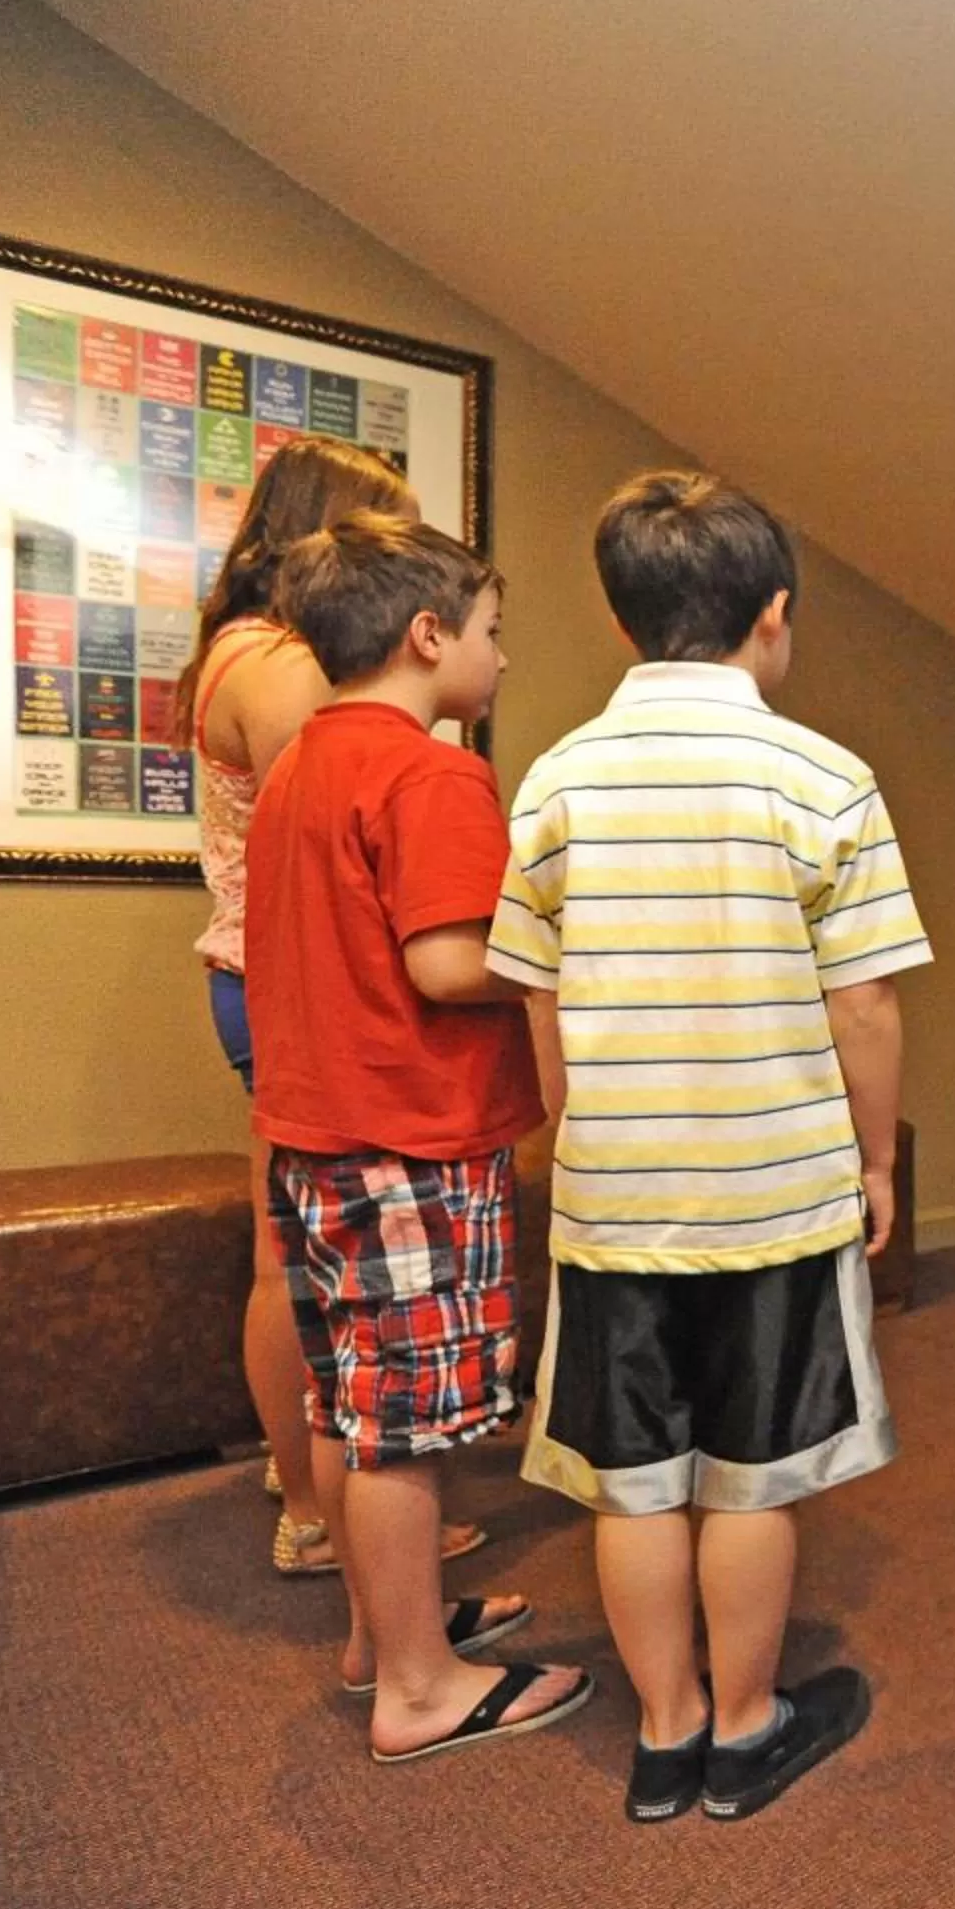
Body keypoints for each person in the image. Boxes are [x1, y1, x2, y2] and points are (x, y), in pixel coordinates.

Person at [493, 470, 929, 1824]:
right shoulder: (824, 778)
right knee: (751, 1481)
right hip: (775, 1199)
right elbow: (863, 1002)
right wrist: (879, 1167)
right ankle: (747, 1730)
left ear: (627, 624)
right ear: (774, 617)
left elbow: (536, 989)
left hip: (617, 1197)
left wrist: (574, 1133)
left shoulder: (557, 777)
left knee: (633, 1492)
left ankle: (667, 1732)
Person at [245, 512, 592, 1761]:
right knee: (407, 1424)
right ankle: (420, 1686)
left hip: (317, 1134)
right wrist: (563, 944)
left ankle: (375, 1634)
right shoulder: (433, 770)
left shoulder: (297, 763)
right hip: (412, 1142)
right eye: (494, 634)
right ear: (428, 634)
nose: (501, 660)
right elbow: (449, 961)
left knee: (349, 1405)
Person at [173, 437, 489, 1581]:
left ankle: (316, 1488)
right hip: (296, 983)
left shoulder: (233, 652)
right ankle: (324, 1508)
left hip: (252, 977)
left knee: (300, 1250)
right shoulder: (284, 671)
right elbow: (359, 831)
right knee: (307, 1264)